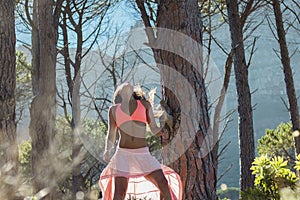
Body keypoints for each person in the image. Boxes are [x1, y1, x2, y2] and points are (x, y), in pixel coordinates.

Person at [98, 82, 182, 200]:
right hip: (123, 155)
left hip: (143, 154)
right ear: (120, 93)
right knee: (119, 193)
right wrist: (107, 150)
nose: (127, 85)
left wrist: (161, 132)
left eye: (129, 86)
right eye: (123, 87)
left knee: (163, 183)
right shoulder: (114, 110)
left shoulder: (144, 105)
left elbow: (153, 128)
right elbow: (111, 133)